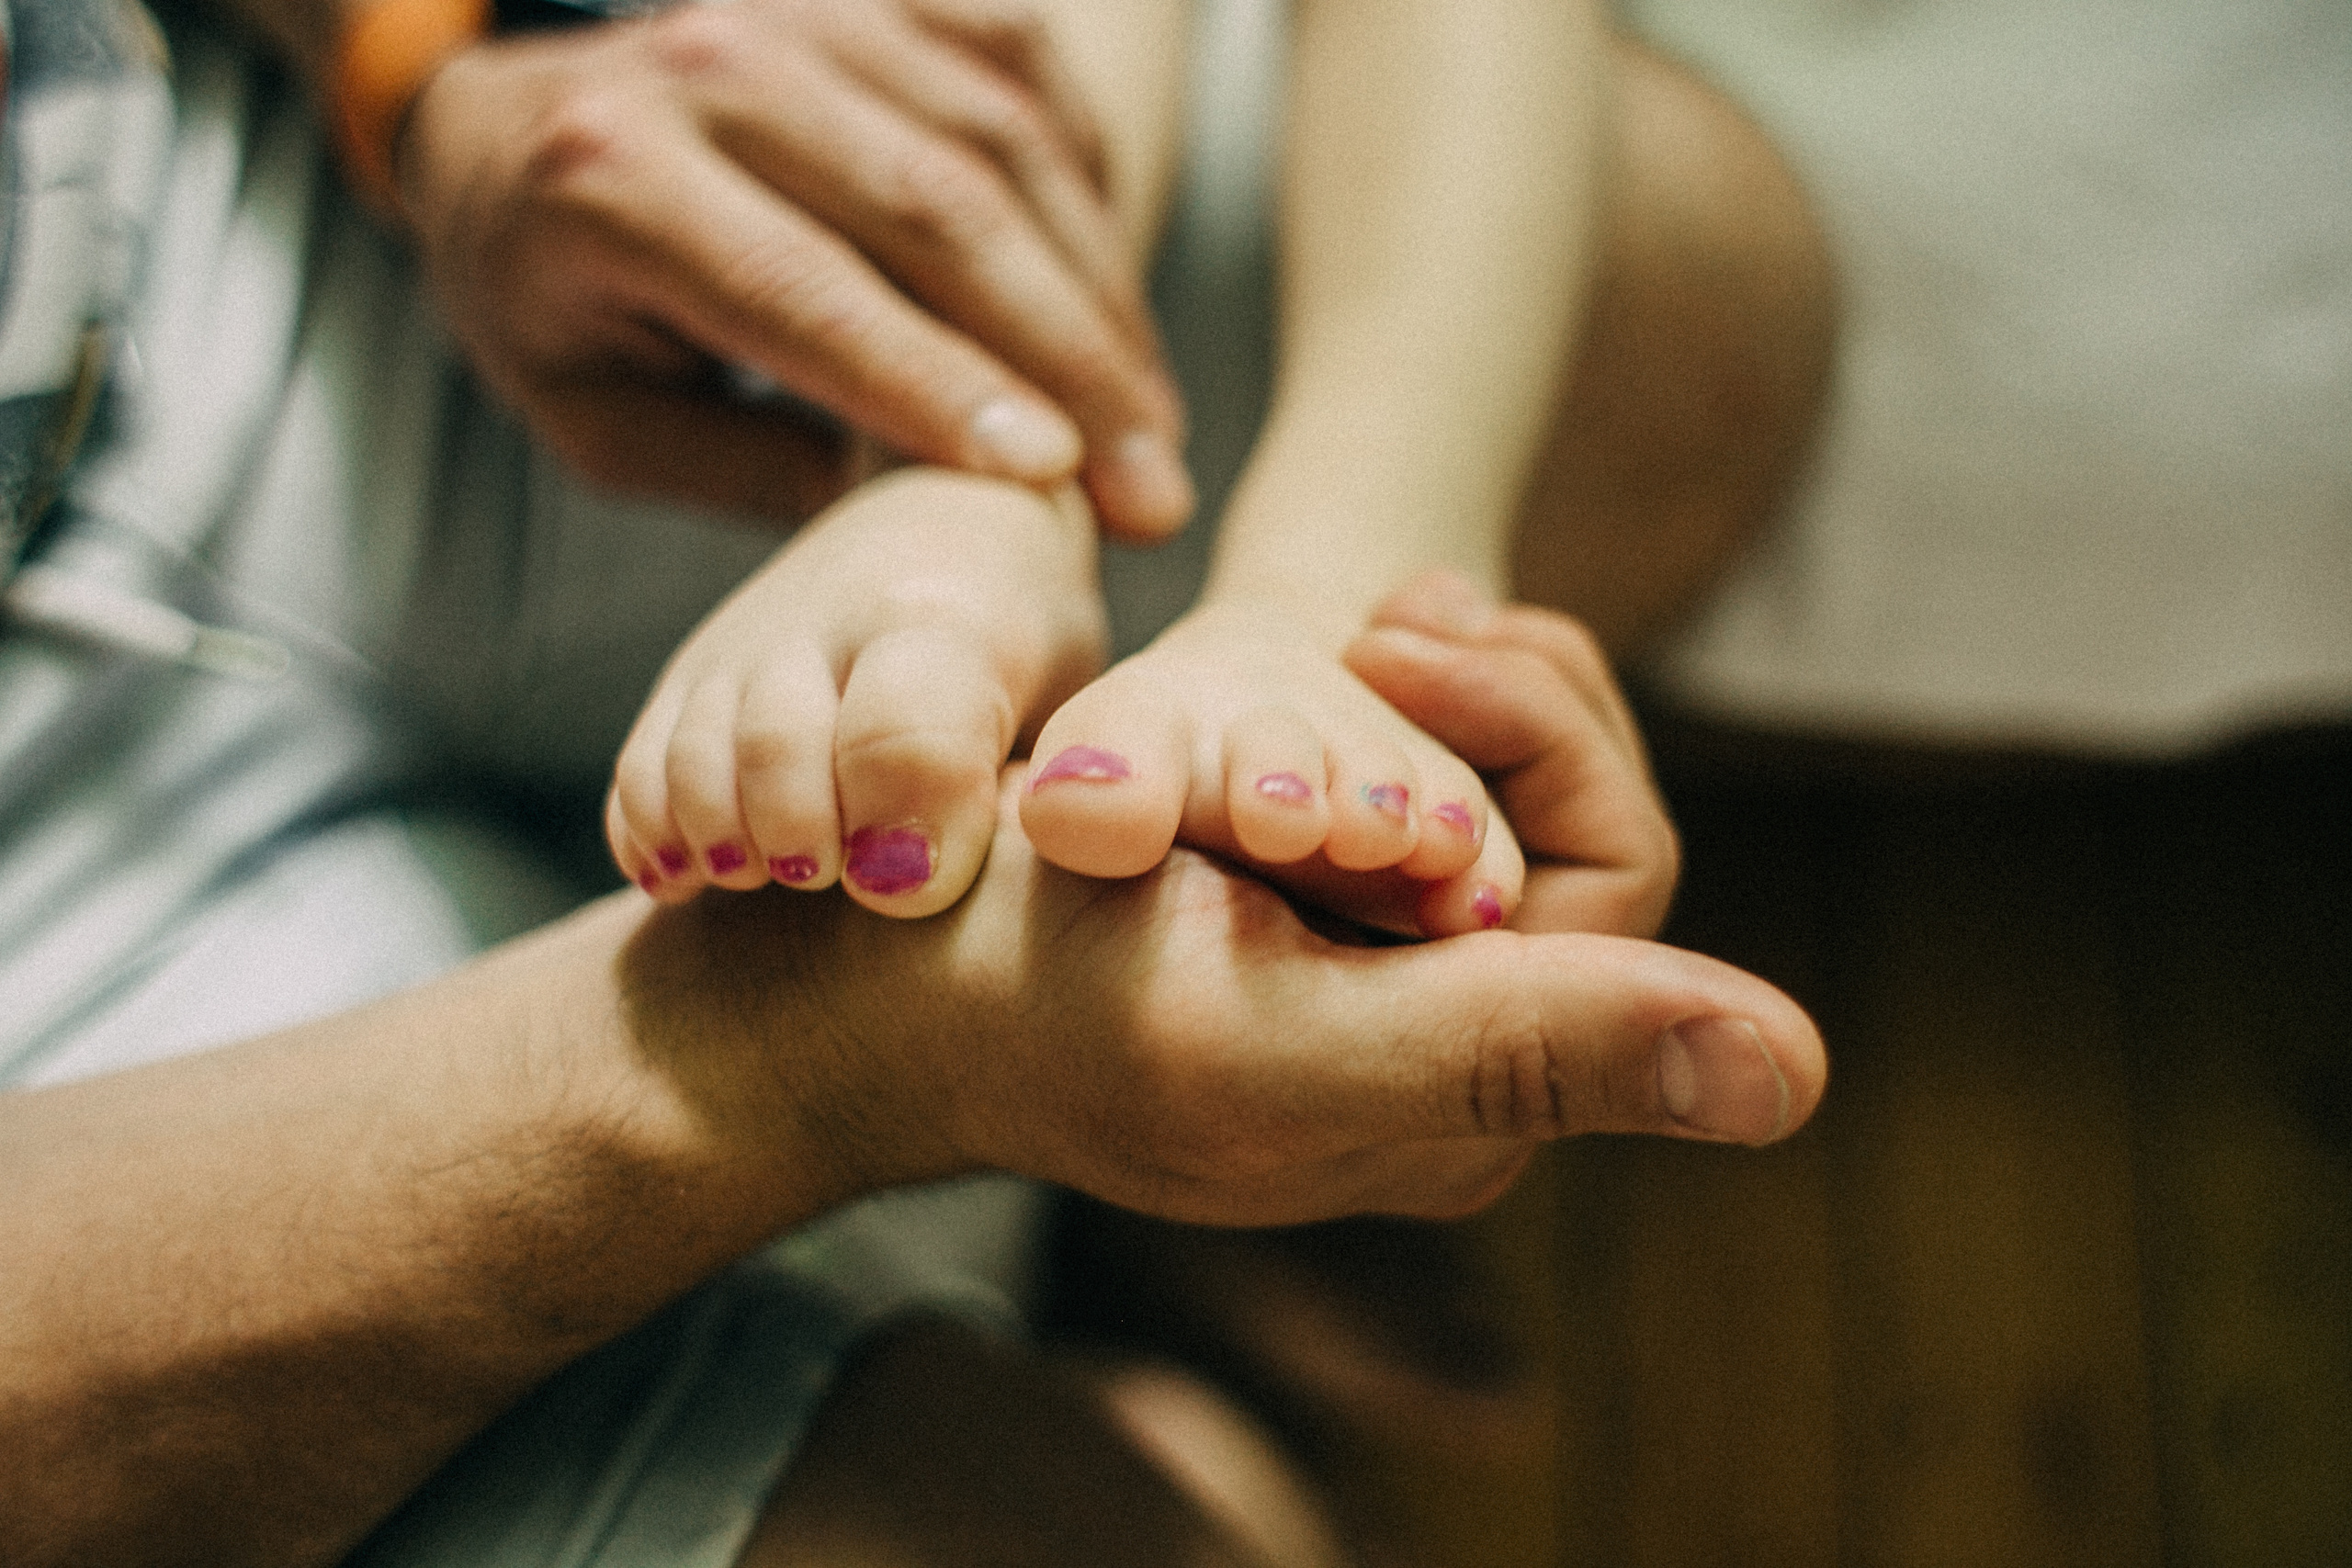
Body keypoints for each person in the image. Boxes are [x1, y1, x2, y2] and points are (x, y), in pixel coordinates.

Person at [0, 3, 1832, 1566]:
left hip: (219, 237)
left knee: (1686, 294)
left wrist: (420, 64)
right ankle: (1076, 1189)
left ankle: (1103, 1192)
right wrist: (809, 1052)